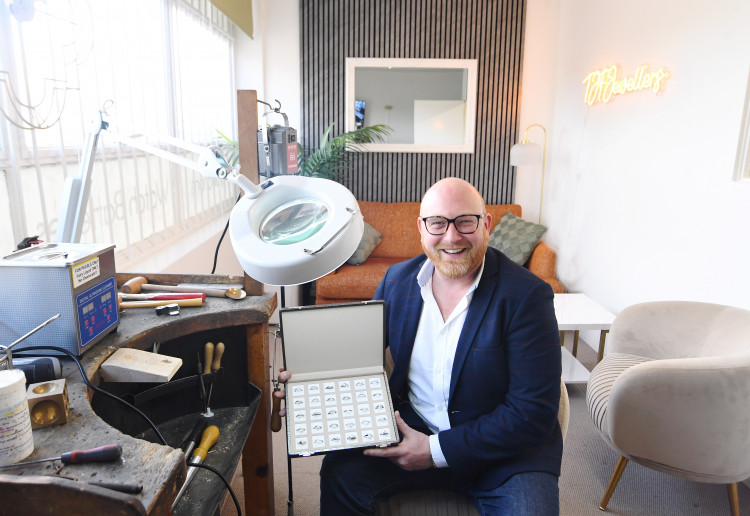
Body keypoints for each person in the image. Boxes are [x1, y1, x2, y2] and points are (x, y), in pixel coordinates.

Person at [276, 177, 562, 515]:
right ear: (421, 229)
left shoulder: (527, 296)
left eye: (465, 222)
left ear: (485, 225)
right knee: (340, 475)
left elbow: (532, 412)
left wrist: (435, 450)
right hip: (412, 429)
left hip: (504, 453)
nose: (452, 237)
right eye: (438, 223)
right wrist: (312, 387)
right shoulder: (396, 281)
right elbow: (358, 359)